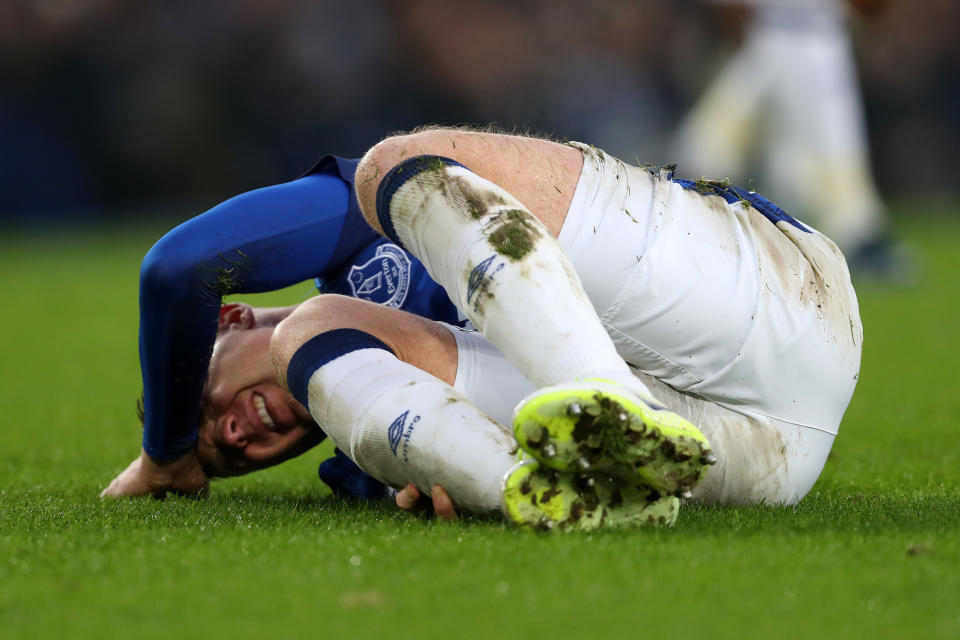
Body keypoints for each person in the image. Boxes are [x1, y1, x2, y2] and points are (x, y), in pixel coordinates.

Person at [102, 127, 862, 529]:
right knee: (313, 332)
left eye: (202, 403)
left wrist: (168, 453)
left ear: (227, 319)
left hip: (775, 296)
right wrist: (454, 489)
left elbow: (179, 268)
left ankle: (596, 392)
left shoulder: (345, 238)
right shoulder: (372, 441)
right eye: (223, 457)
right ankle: (533, 485)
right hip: (746, 460)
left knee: (393, 167)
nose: (229, 436)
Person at [670, 0, 916, 283]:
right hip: (769, 37)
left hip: (816, 39)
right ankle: (684, 227)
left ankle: (858, 237)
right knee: (705, 150)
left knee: (825, 152)